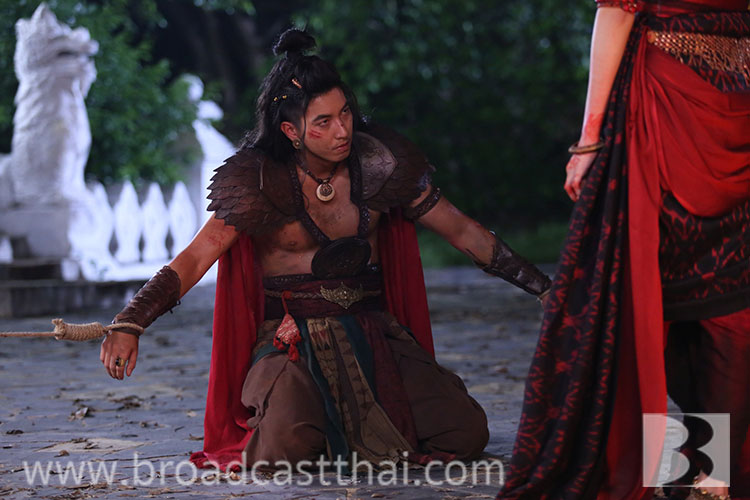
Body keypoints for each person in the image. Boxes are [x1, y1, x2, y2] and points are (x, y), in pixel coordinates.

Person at [99, 29, 552, 472]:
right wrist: (131, 321)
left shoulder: (380, 164)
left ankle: (344, 429)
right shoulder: (258, 181)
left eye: (345, 114)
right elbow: (196, 258)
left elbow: (462, 230)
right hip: (289, 339)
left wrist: (544, 289)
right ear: (291, 131)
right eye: (324, 122)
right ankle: (312, 420)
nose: (342, 130)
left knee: (464, 433)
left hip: (373, 331)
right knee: (282, 450)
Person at [498, 1, 750, 499]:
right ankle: (711, 472)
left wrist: (589, 141)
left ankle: (672, 464)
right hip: (723, 102)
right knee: (728, 307)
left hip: (670, 112)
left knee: (651, 308)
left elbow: (617, 10)